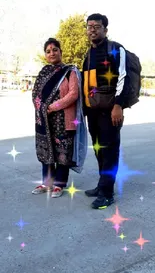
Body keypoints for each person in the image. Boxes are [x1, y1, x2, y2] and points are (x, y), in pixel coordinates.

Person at [82, 13, 128, 209]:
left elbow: (123, 77)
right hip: (93, 111)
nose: (92, 29)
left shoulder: (116, 49)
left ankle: (107, 194)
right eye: (89, 26)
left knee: (110, 151)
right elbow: (86, 83)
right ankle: (102, 184)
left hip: (111, 111)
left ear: (105, 30)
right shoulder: (88, 54)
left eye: (97, 26)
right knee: (99, 149)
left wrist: (119, 105)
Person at [32, 38, 87, 197]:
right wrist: (41, 108)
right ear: (45, 55)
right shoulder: (43, 72)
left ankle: (59, 185)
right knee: (46, 151)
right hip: (45, 120)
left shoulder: (70, 71)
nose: (52, 53)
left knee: (62, 153)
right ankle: (46, 182)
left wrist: (52, 107)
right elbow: (35, 94)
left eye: (55, 50)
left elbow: (73, 94)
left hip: (64, 120)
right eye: (48, 51)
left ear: (61, 52)